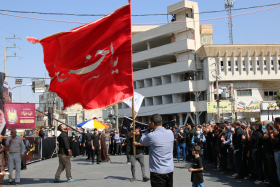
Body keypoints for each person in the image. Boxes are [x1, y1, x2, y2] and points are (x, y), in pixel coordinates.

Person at [140, 114, 174, 187]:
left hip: (157, 171)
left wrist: (148, 130)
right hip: (169, 169)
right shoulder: (170, 133)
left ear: (152, 123)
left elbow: (142, 141)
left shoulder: (151, 135)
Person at [271, 117, 280, 185]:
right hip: (276, 152)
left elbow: (276, 141)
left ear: (278, 123)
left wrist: (272, 137)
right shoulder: (277, 132)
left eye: (274, 122)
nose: (273, 124)